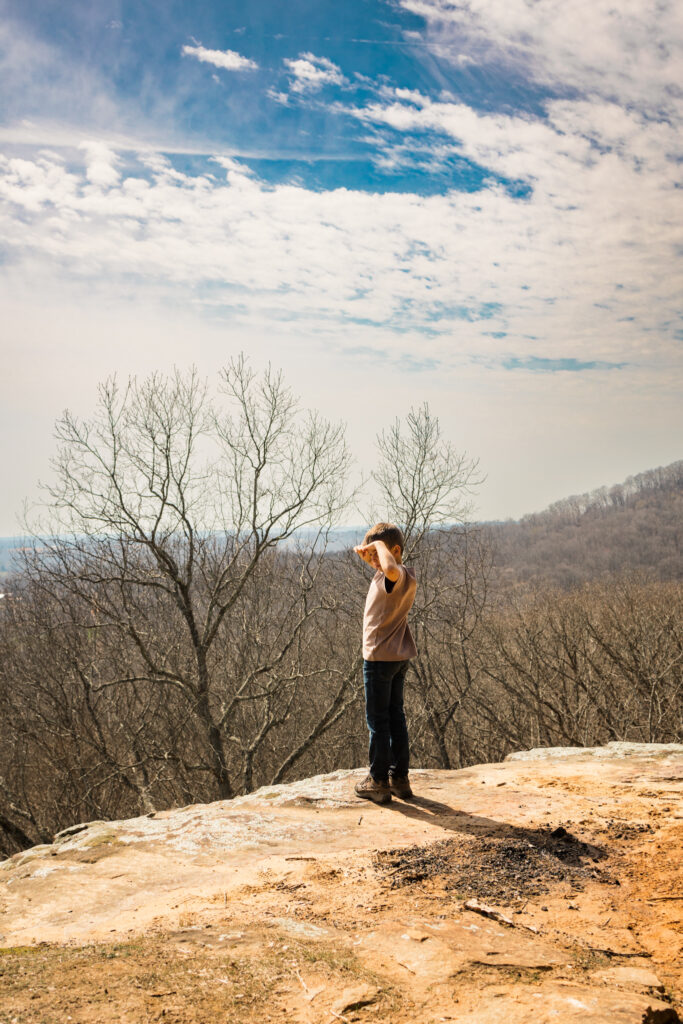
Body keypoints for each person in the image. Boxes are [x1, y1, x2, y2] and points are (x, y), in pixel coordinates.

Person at [353, 522, 417, 805]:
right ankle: (399, 778)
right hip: (397, 657)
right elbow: (386, 570)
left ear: (395, 551)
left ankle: (378, 781)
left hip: (379, 659)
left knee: (378, 721)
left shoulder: (397, 575)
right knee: (395, 717)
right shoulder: (396, 577)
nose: (375, 561)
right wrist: (373, 555)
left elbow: (391, 569)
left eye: (379, 554)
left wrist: (379, 548)